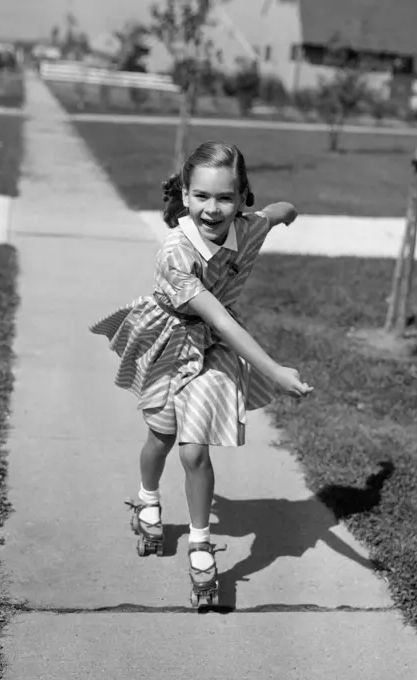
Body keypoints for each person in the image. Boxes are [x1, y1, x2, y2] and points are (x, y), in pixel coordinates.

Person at [90, 140, 313, 596]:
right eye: (202, 197)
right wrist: (273, 370)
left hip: (214, 349)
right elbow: (219, 316)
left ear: (241, 196)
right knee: (161, 435)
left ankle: (199, 543)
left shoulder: (247, 228)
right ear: (186, 196)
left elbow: (271, 215)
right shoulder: (176, 251)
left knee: (194, 451)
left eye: (226, 197)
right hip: (171, 338)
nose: (213, 209)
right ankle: (148, 499)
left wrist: (289, 211)